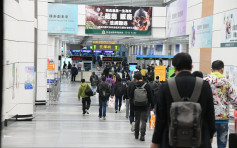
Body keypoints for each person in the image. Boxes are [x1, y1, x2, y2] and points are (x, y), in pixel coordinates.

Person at [150, 52, 216, 148]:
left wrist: (155, 141)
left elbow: (160, 118)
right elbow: (210, 114)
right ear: (192, 66)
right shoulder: (204, 86)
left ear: (174, 68)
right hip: (199, 140)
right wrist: (209, 135)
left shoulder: (166, 86)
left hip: (170, 141)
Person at [204, 60, 237, 148]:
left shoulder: (204, 81)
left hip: (207, 118)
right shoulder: (226, 82)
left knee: (206, 143)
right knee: (222, 144)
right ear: (222, 70)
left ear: (211, 69)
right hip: (222, 118)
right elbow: (235, 100)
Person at [130, 72, 154, 141]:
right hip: (145, 106)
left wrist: (132, 106)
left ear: (135, 79)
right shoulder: (147, 85)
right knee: (143, 120)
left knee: (137, 120)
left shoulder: (133, 85)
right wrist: (152, 105)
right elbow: (151, 96)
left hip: (136, 105)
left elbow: (131, 96)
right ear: (142, 78)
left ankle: (136, 135)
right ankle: (142, 135)